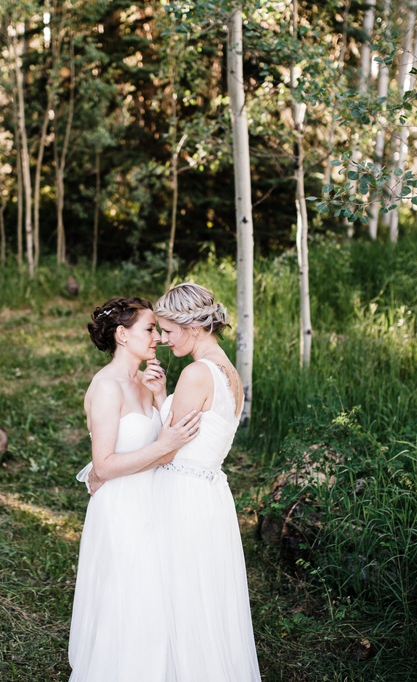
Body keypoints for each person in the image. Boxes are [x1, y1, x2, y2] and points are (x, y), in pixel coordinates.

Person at [68, 296, 201, 682]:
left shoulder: (142, 382)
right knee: (131, 595)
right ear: (123, 336)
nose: (157, 336)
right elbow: (105, 465)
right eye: (149, 329)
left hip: (153, 501)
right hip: (122, 508)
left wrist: (160, 398)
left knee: (155, 595)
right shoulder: (106, 387)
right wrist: (163, 445)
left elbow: (161, 453)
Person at [151, 282, 262, 681]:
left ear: (192, 327)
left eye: (167, 330)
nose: (162, 339)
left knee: (177, 595)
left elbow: (165, 449)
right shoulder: (228, 372)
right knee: (203, 598)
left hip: (180, 494)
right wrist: (163, 394)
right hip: (209, 492)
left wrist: (110, 469)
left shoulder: (197, 373)